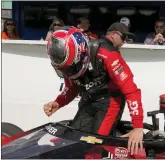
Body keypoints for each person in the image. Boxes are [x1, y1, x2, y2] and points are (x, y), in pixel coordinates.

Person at [44, 23, 144, 156]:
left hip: (109, 102)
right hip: (88, 100)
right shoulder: (69, 62)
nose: (68, 72)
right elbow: (72, 87)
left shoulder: (107, 54)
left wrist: (138, 127)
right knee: (71, 142)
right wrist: (58, 102)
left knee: (95, 146)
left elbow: (131, 91)